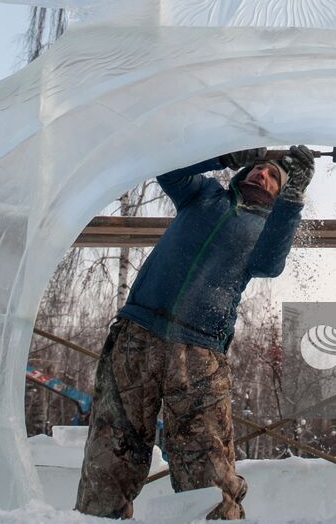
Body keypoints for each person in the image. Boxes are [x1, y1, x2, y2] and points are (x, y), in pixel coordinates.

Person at [75, 145, 315, 520]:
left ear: (278, 192)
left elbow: (271, 264)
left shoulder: (266, 229)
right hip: (137, 335)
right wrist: (224, 155)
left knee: (206, 461)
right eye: (256, 168)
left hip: (200, 351)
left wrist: (294, 198)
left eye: (273, 175)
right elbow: (168, 170)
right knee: (111, 451)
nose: (261, 174)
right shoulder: (203, 195)